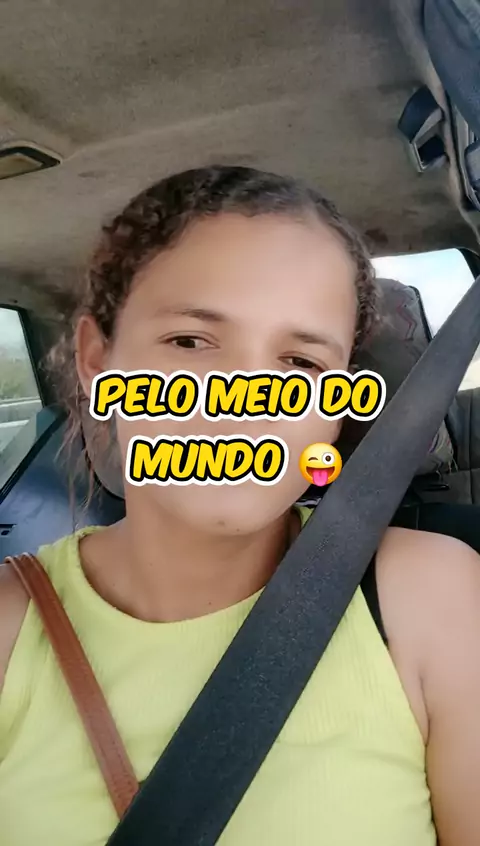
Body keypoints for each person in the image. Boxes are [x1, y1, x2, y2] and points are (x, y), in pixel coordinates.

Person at [0, 166, 479, 846]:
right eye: (190, 342)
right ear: (96, 359)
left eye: (301, 365)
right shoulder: (9, 625)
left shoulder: (431, 595)